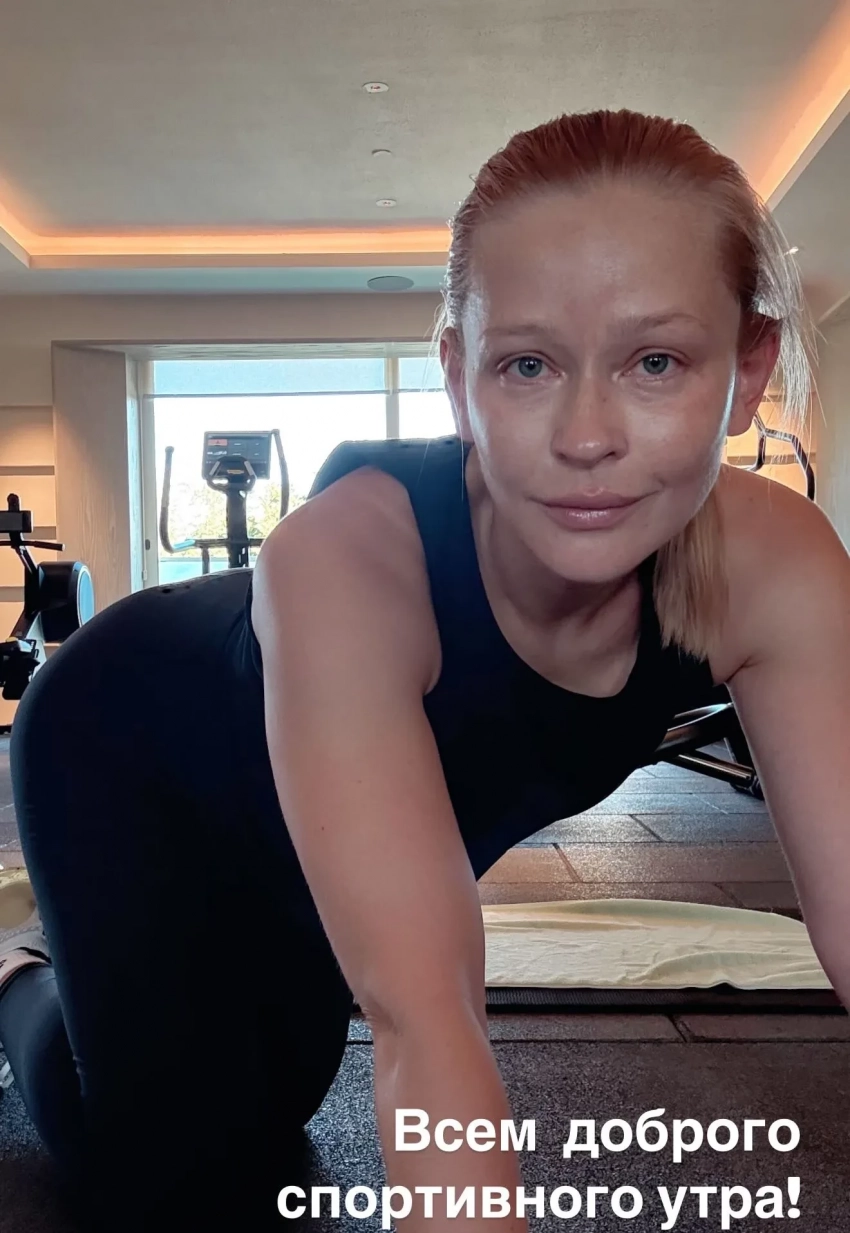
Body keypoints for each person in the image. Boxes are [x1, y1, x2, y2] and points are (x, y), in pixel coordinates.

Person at [1, 107, 849, 1233]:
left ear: (746, 371)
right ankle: (17, 976)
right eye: (528, 364)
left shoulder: (775, 566)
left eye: (655, 361)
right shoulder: (349, 554)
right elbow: (426, 1025)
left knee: (278, 1098)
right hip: (132, 743)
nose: (585, 435)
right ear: (458, 375)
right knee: (180, 1166)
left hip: (331, 813)